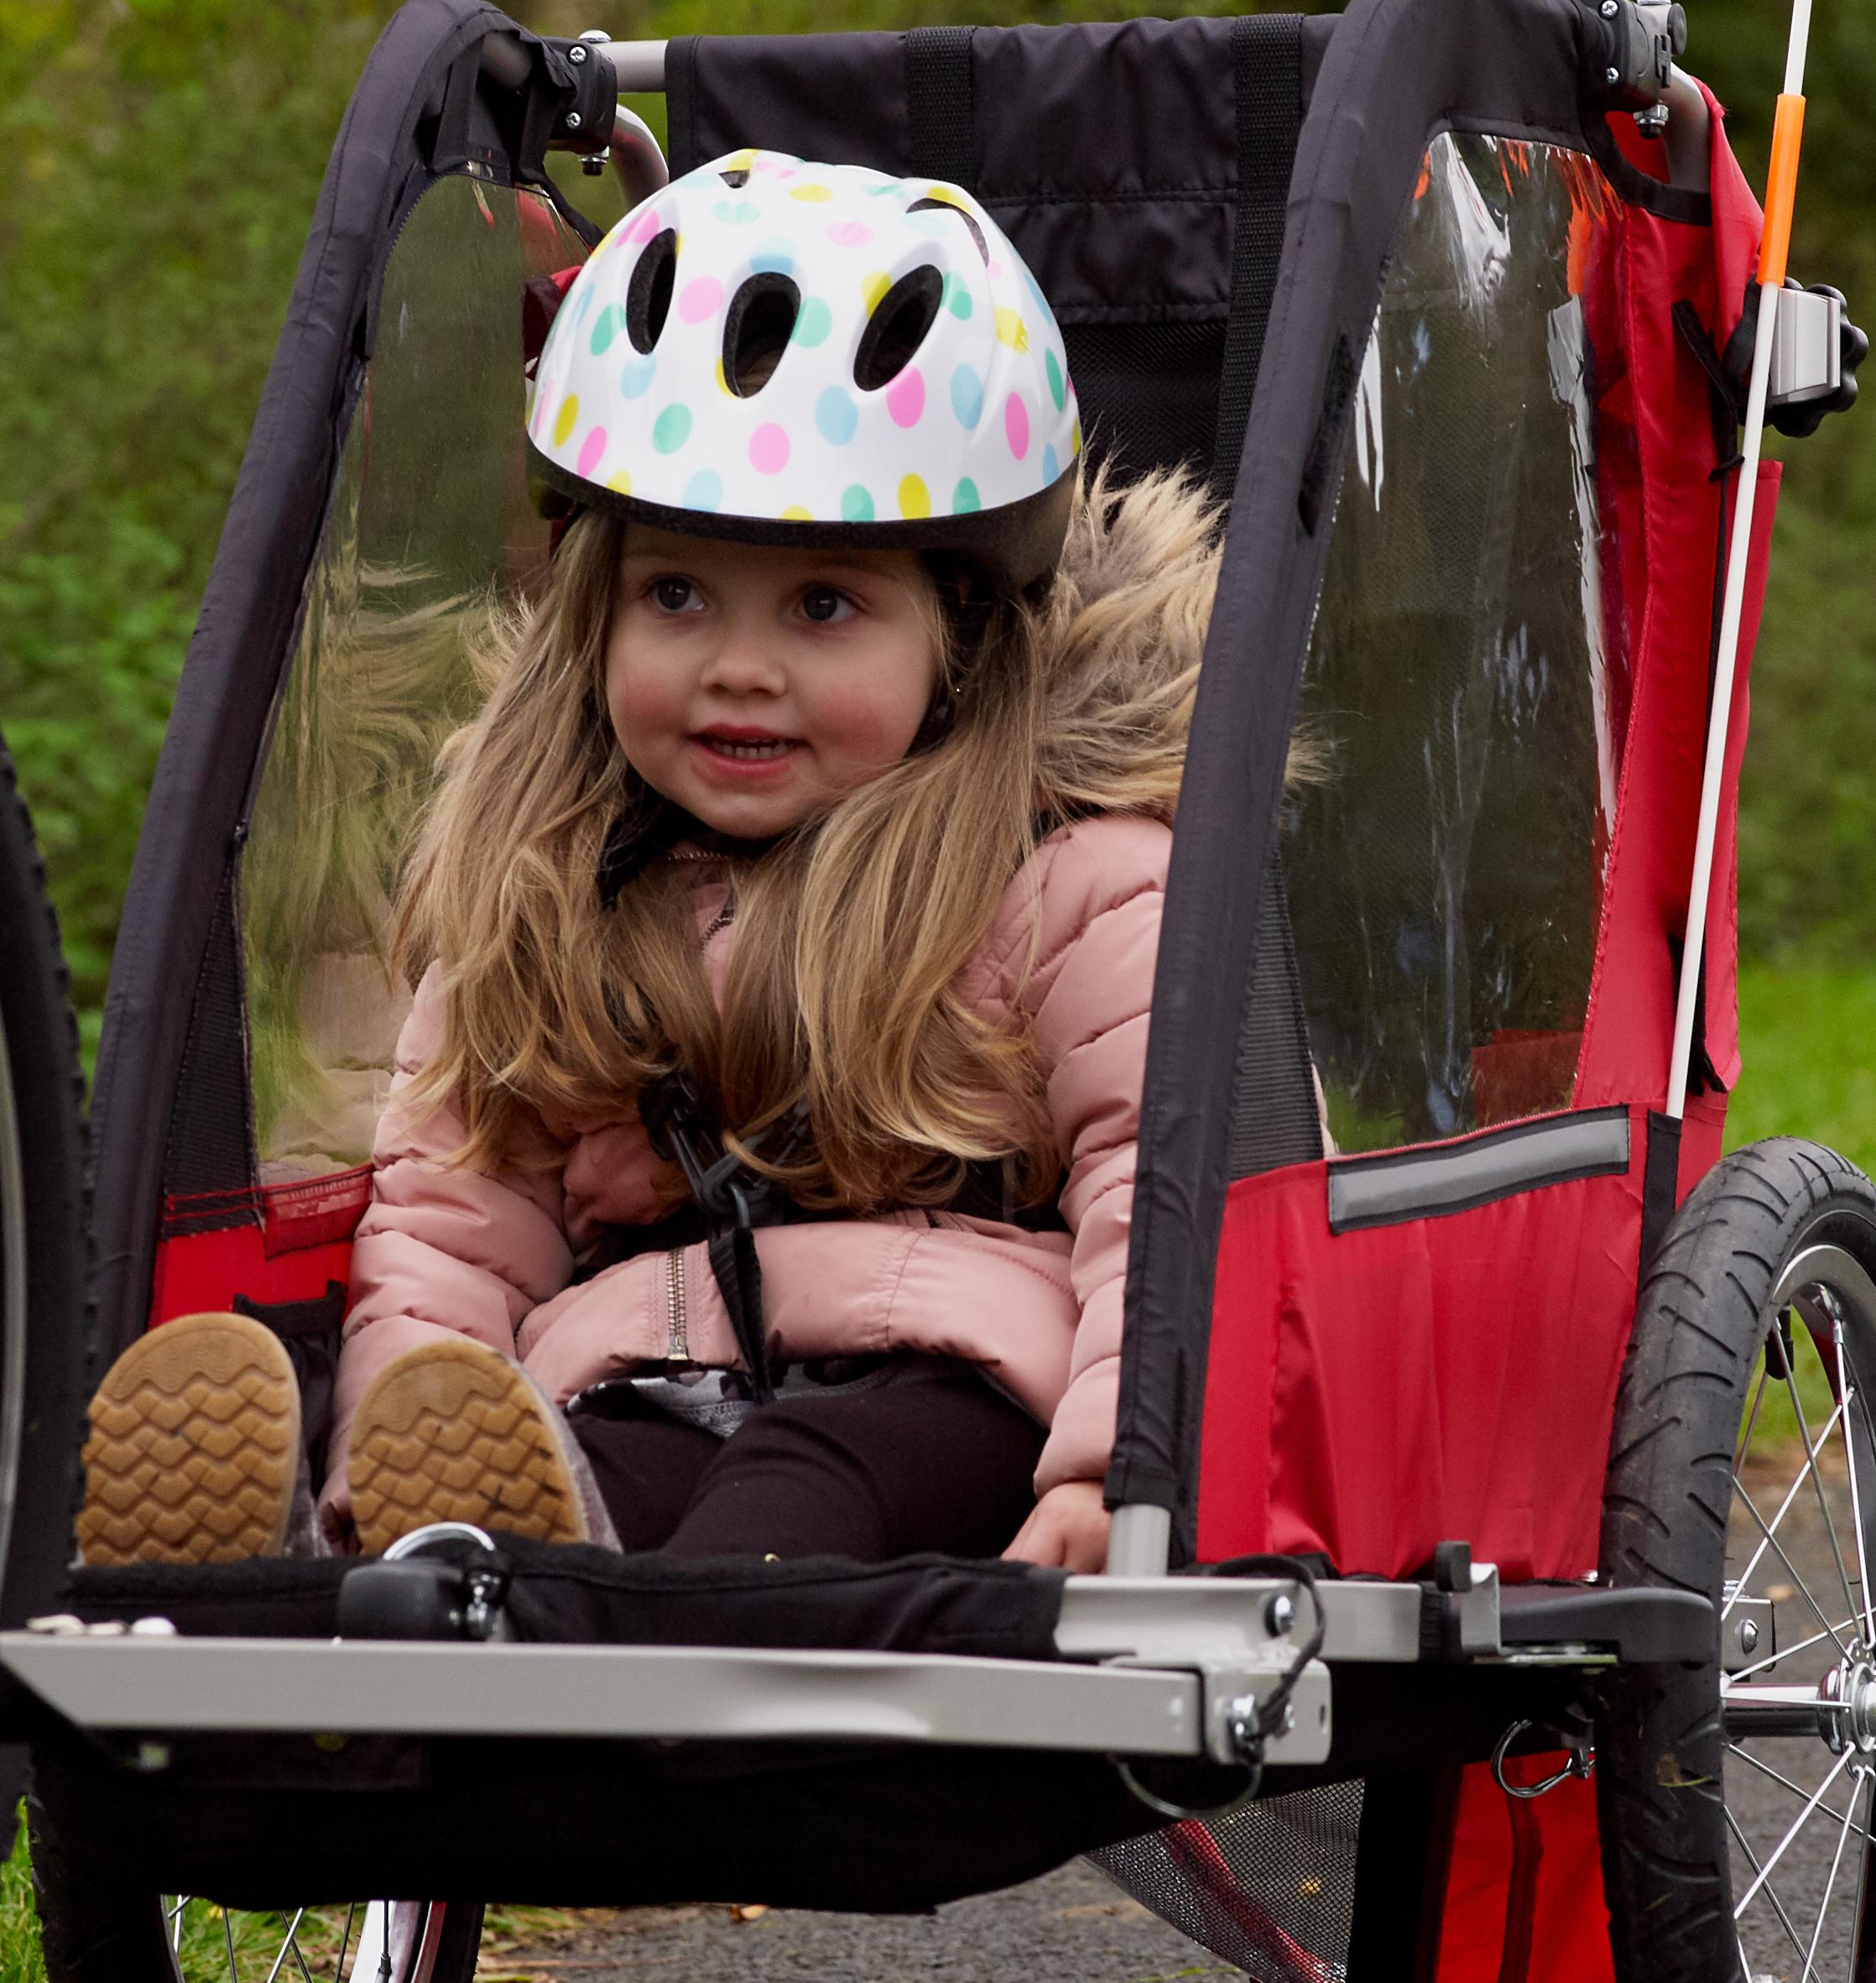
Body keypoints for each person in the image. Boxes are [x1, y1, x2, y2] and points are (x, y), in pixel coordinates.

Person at [71, 149, 1213, 1579]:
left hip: (965, 1387)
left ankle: (610, 1640)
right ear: (592, 614)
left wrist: (1124, 1472)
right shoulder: (556, 899)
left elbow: (1161, 1195)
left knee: (804, 1485)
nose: (739, 669)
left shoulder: (1071, 886)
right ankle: (398, 1569)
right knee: (585, 1485)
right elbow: (449, 1236)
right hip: (646, 1373)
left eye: (822, 604)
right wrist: (395, 1458)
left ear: (962, 635)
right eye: (675, 594)